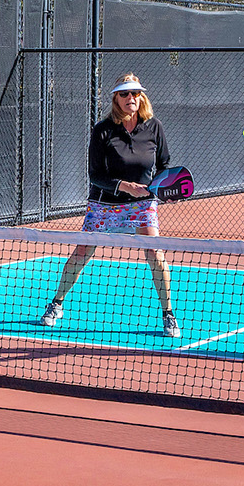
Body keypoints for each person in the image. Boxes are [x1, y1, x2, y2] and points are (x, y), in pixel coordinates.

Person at [39, 73, 179, 338]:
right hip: (104, 204)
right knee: (82, 251)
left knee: (155, 253)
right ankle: (56, 304)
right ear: (116, 99)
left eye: (135, 93)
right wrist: (124, 186)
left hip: (142, 204)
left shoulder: (154, 127)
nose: (130, 98)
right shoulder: (102, 130)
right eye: (124, 93)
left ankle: (168, 313)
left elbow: (164, 165)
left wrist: (164, 188)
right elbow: (95, 175)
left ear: (141, 97)